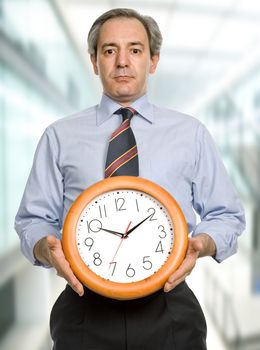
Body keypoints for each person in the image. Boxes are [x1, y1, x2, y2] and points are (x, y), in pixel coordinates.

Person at [15, 8, 245, 350]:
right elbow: (33, 220)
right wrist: (46, 250)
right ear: (94, 61)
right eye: (110, 50)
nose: (122, 61)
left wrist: (203, 244)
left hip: (169, 309)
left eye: (135, 50)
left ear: (153, 61)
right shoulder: (58, 136)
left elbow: (227, 215)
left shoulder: (191, 134)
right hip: (84, 310)